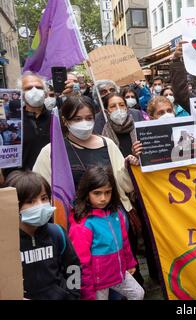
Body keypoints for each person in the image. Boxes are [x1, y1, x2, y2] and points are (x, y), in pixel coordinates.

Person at [68, 166, 145, 300]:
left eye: (107, 192)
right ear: (86, 193)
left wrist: (130, 262)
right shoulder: (83, 225)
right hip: (97, 282)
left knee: (138, 293)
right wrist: (87, 292)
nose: (103, 198)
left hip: (118, 272)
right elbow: (81, 263)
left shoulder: (116, 214)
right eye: (97, 193)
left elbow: (124, 240)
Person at [4, 170, 81, 300]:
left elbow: (73, 266)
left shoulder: (57, 233)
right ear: (14, 205)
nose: (40, 205)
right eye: (30, 201)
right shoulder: (5, 242)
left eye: (44, 198)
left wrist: (72, 295)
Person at [17, 72, 51, 171]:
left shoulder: (56, 118)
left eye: (39, 87)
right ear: (21, 94)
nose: (34, 91)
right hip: (20, 181)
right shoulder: (13, 121)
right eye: (28, 88)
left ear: (46, 93)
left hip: (50, 179)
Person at [95, 93, 139, 158]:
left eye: (122, 105)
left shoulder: (139, 129)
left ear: (126, 108)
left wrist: (138, 155)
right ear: (107, 112)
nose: (118, 109)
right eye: (113, 106)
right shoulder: (103, 137)